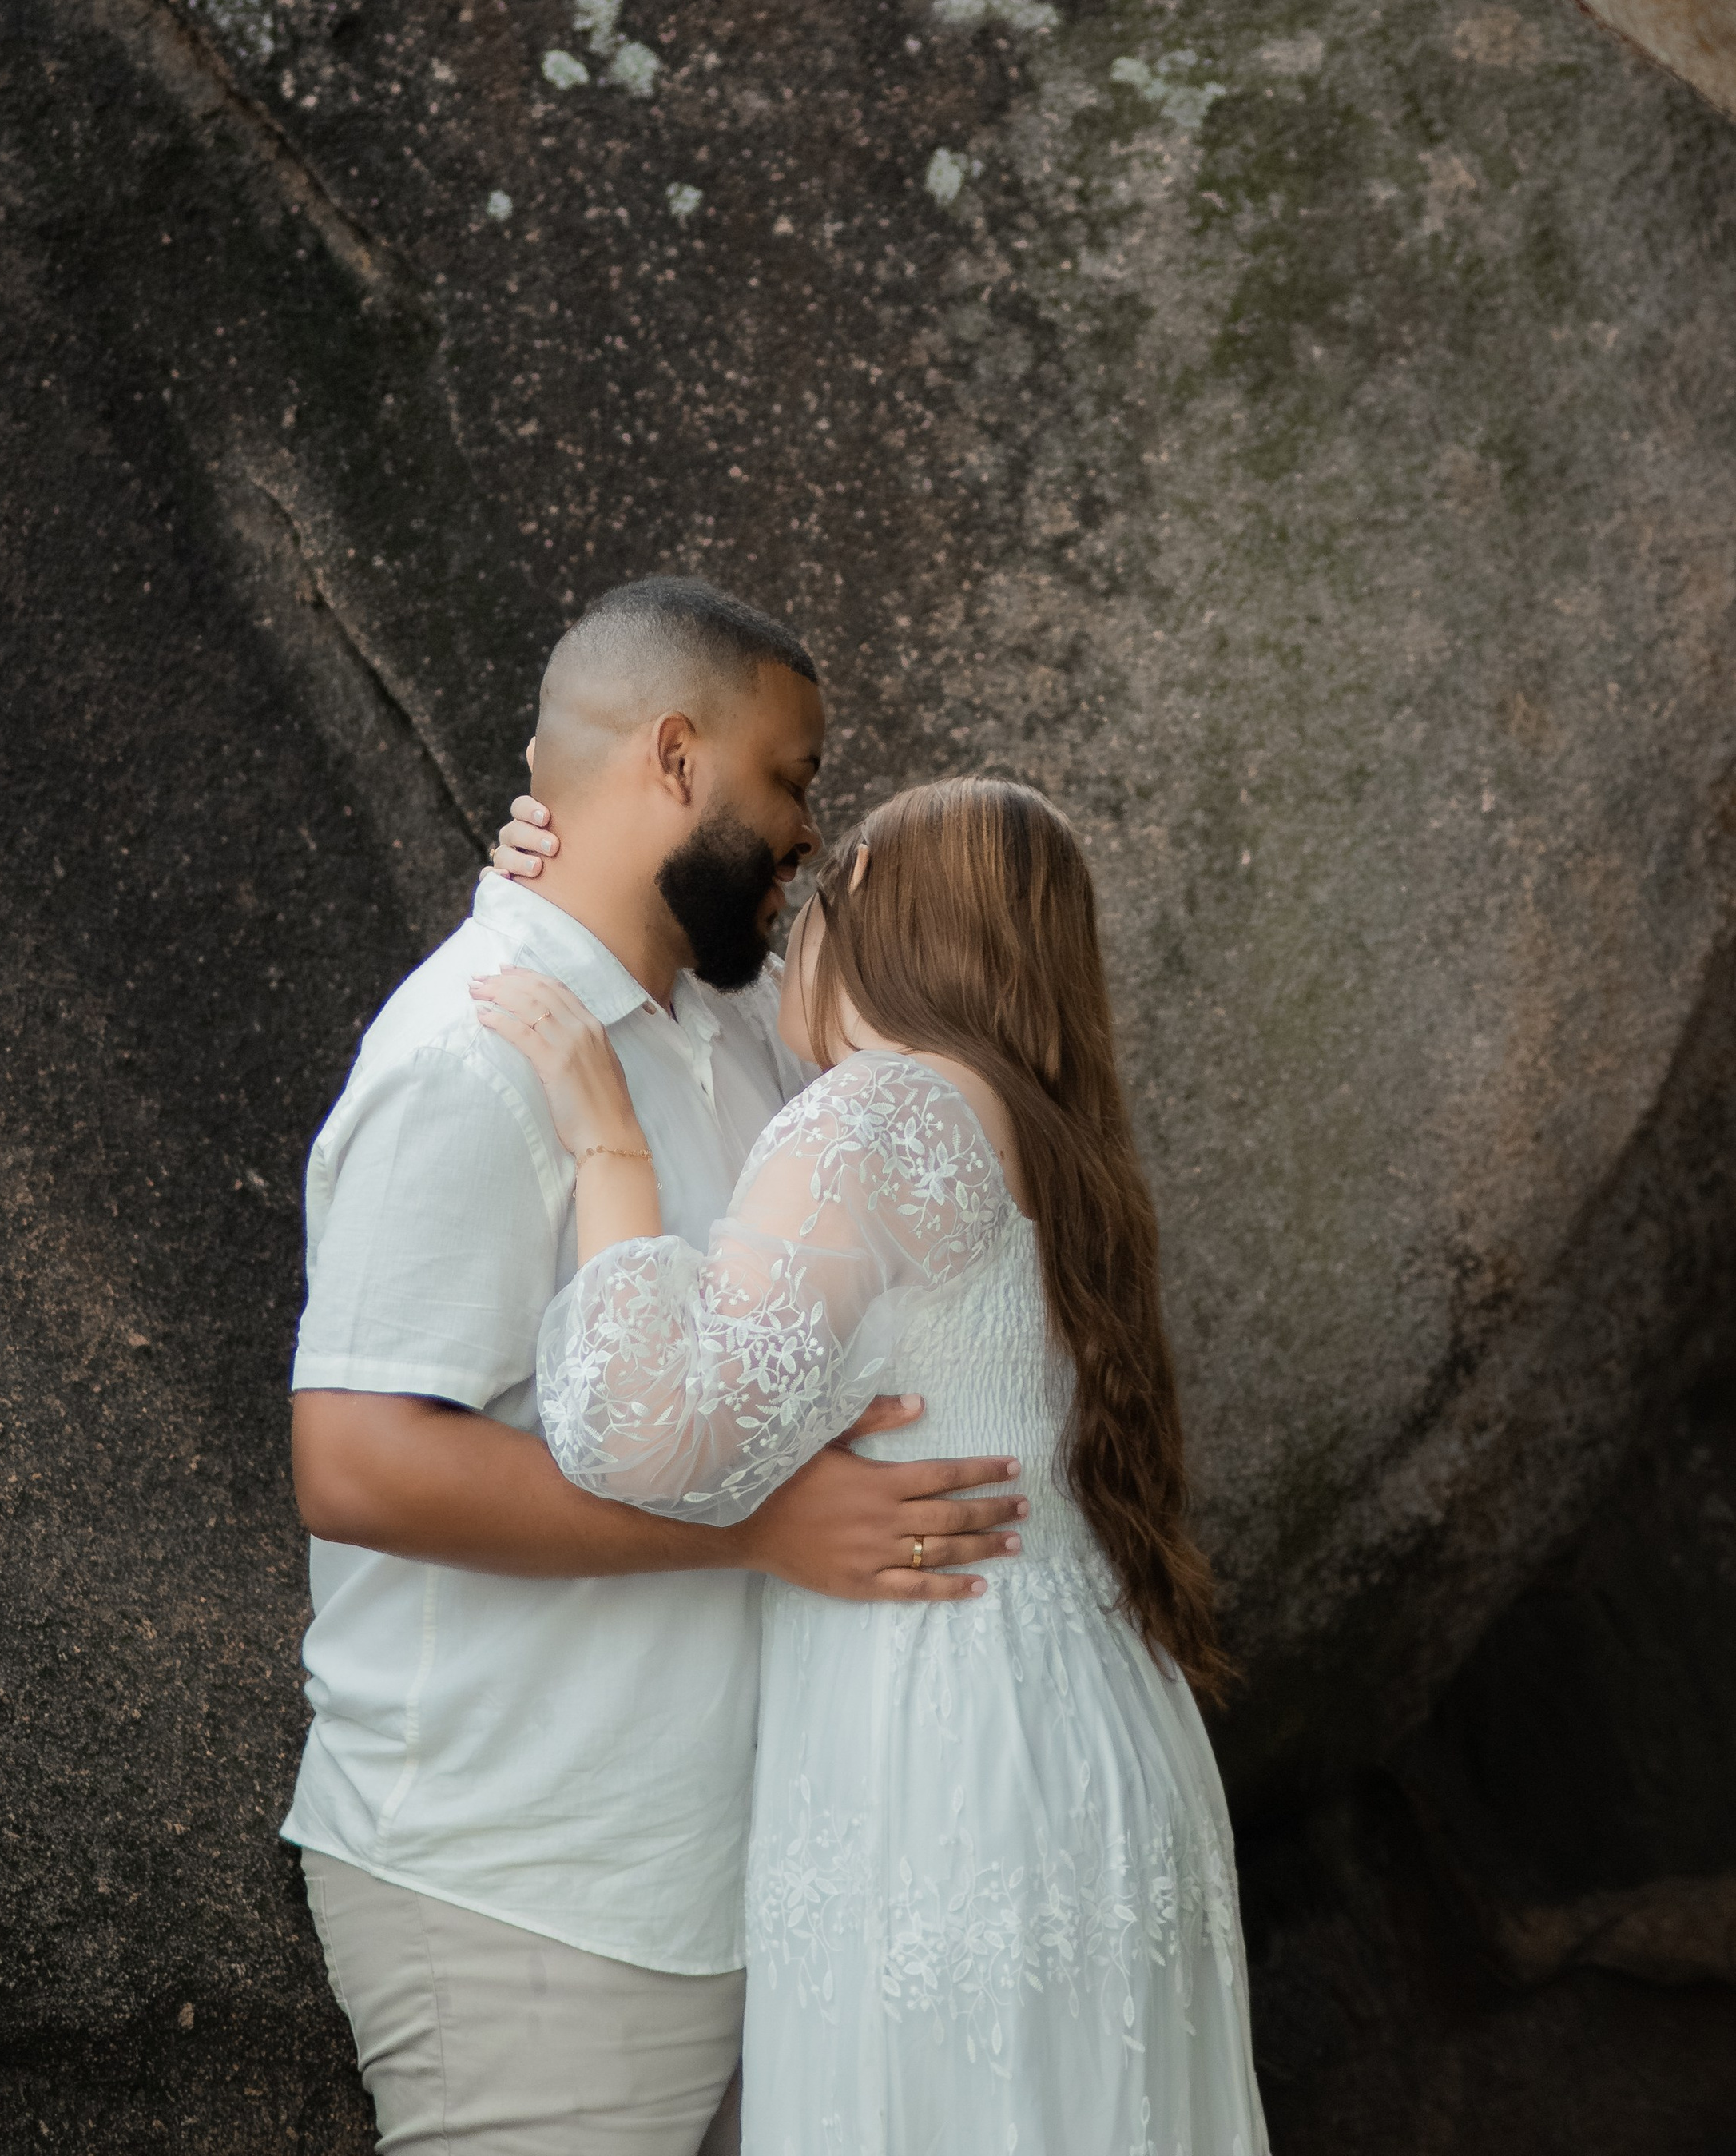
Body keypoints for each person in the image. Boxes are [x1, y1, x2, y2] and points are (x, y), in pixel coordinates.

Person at [284, 579, 1031, 2156]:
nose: (811, 827)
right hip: (524, 1886)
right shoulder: (467, 1058)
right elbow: (355, 1461)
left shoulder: (740, 1029)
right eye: (794, 778)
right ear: (677, 764)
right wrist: (757, 1527)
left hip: (741, 1875)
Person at [474, 774, 1270, 2156]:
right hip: (1095, 1734)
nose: (786, 937)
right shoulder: (1047, 1133)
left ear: (885, 929)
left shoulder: (876, 1121)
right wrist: (558, 865)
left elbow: (646, 1429)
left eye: (818, 901)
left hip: (947, 1750)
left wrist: (607, 1147)